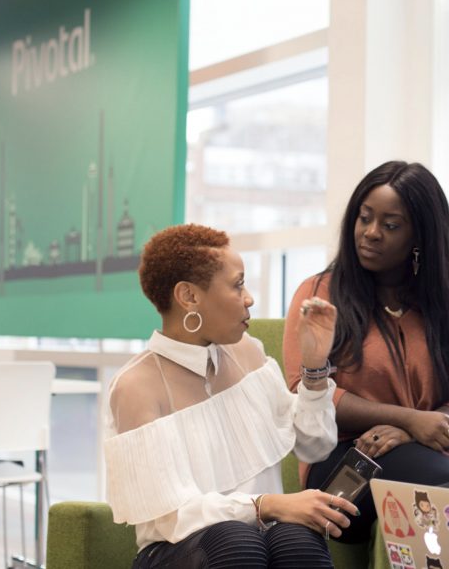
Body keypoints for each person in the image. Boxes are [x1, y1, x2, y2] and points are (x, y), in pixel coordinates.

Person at [283, 160, 449, 542]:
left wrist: (418, 428)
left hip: (439, 455)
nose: (370, 233)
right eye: (364, 218)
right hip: (346, 473)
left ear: (420, 237)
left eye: (390, 225)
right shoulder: (320, 293)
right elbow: (304, 389)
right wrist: (411, 419)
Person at [104, 224, 359, 568]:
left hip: (261, 538)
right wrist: (264, 504)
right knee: (235, 537)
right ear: (189, 297)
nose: (249, 297)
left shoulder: (248, 353)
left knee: (295, 537)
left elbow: (315, 446)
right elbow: (169, 518)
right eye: (238, 284)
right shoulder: (135, 386)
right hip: (175, 552)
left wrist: (314, 369)